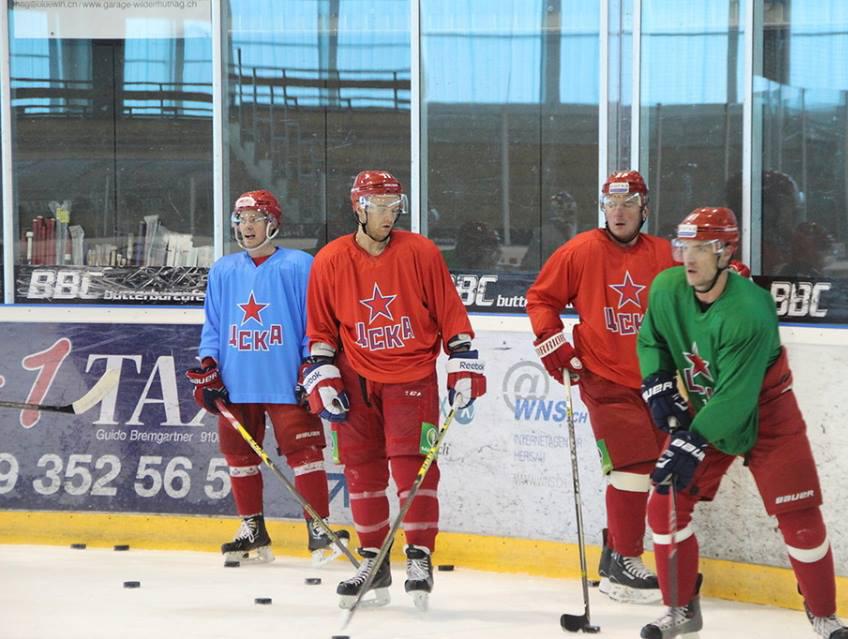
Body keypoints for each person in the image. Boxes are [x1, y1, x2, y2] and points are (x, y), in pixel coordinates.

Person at [636, 207, 848, 639]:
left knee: (801, 516)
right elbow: (651, 339)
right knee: (665, 505)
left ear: (725, 251)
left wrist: (690, 441)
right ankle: (681, 608)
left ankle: (824, 614)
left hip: (768, 412)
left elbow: (736, 398)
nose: (689, 258)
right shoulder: (666, 288)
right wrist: (657, 383)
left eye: (702, 248)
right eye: (684, 247)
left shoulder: (749, 309)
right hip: (705, 407)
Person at [300, 169, 487, 611]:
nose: (388, 214)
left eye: (393, 206)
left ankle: (418, 555)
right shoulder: (330, 260)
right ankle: (373, 559)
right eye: (379, 206)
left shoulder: (420, 252)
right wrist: (322, 373)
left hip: (411, 376)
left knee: (412, 468)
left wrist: (461, 361)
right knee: (362, 470)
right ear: (358, 208)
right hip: (354, 379)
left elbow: (449, 312)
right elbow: (321, 330)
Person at [526, 170, 676, 604]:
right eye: (612, 204)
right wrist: (553, 343)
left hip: (657, 381)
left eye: (629, 204)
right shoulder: (580, 251)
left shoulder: (664, 253)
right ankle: (625, 563)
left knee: (658, 472)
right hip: (604, 378)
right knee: (632, 469)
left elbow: (699, 278)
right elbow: (541, 299)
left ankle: (614, 556)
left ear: (644, 209)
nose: (619, 212)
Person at [186, 189, 345, 567]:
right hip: (236, 381)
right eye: (241, 219)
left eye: (255, 218)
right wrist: (209, 366)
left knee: (305, 454)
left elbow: (315, 321)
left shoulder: (299, 265)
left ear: (273, 223)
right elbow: (213, 324)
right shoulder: (224, 269)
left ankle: (319, 528)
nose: (247, 226)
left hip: (286, 379)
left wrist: (312, 366)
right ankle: (252, 528)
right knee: (238, 456)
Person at [520, 190, 579, 270]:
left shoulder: (581, 235)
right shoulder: (545, 235)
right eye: (566, 212)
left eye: (571, 212)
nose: (570, 217)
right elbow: (531, 268)